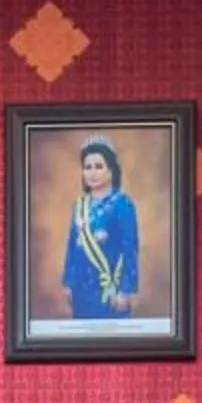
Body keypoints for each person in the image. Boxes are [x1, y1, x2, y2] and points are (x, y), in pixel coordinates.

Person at [62, 137, 139, 320]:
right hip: (81, 289)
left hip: (110, 289)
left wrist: (125, 290)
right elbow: (72, 246)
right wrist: (68, 282)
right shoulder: (79, 205)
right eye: (87, 167)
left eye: (98, 166)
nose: (92, 173)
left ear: (111, 170)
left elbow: (130, 249)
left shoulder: (122, 203)